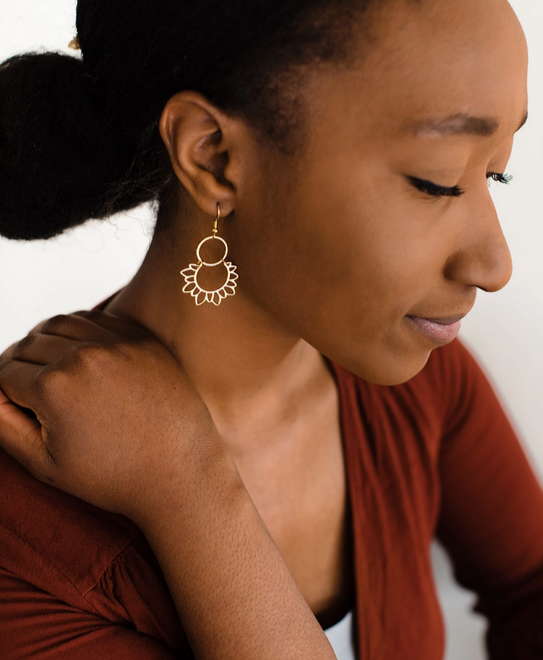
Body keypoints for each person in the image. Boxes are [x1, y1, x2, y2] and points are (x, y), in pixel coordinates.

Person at [0, 0, 542, 658]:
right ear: (214, 157)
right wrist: (192, 491)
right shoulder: (19, 535)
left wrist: (193, 482)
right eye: (436, 182)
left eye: (496, 172)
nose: (494, 267)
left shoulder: (422, 381)